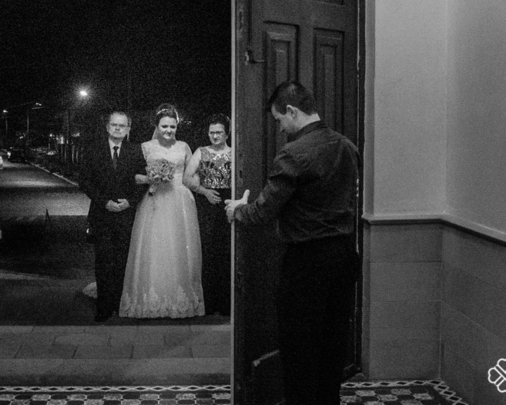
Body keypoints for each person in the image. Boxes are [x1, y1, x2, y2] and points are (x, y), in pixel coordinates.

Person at [225, 81, 360, 405]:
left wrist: (236, 210)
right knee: (333, 347)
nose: (281, 128)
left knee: (299, 350)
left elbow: (264, 212)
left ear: (292, 111)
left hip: (307, 263)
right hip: (344, 258)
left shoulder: (294, 153)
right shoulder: (347, 146)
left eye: (279, 120)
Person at [119, 103, 205, 318]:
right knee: (155, 247)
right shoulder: (145, 147)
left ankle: (180, 297)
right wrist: (152, 178)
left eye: (173, 127)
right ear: (156, 126)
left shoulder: (184, 147)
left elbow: (191, 175)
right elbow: (134, 176)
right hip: (154, 199)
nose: (169, 130)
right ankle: (150, 296)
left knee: (178, 246)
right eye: (165, 126)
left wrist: (199, 187)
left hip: (180, 200)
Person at [77, 110, 144, 321]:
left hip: (126, 215)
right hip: (101, 214)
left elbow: (142, 181)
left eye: (122, 126)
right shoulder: (93, 150)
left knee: (122, 259)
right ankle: (104, 306)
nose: (118, 128)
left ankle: (119, 302)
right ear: (107, 127)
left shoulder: (135, 151)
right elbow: (85, 181)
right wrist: (104, 202)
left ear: (128, 129)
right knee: (104, 260)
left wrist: (130, 202)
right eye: (114, 125)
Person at [184, 113, 232, 316]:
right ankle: (210, 302)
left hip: (228, 201)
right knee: (209, 251)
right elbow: (186, 177)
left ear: (227, 133)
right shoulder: (201, 152)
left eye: (218, 132)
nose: (214, 136)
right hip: (207, 204)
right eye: (211, 133)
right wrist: (204, 191)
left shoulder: (235, 152)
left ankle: (227, 302)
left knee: (227, 251)